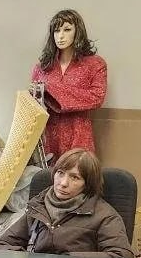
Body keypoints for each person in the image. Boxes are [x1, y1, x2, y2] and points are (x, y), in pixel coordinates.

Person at [0, 148, 133, 258]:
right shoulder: (39, 206)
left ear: (88, 184)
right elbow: (3, 244)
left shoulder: (105, 216)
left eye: (75, 177)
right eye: (60, 173)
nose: (63, 183)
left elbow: (121, 255)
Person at [31, 9, 107, 158]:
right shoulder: (42, 67)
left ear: (77, 31)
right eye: (56, 30)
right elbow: (34, 103)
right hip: (48, 135)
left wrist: (51, 89)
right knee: (48, 172)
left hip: (78, 133)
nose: (61, 36)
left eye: (67, 29)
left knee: (77, 170)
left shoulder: (94, 64)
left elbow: (97, 97)